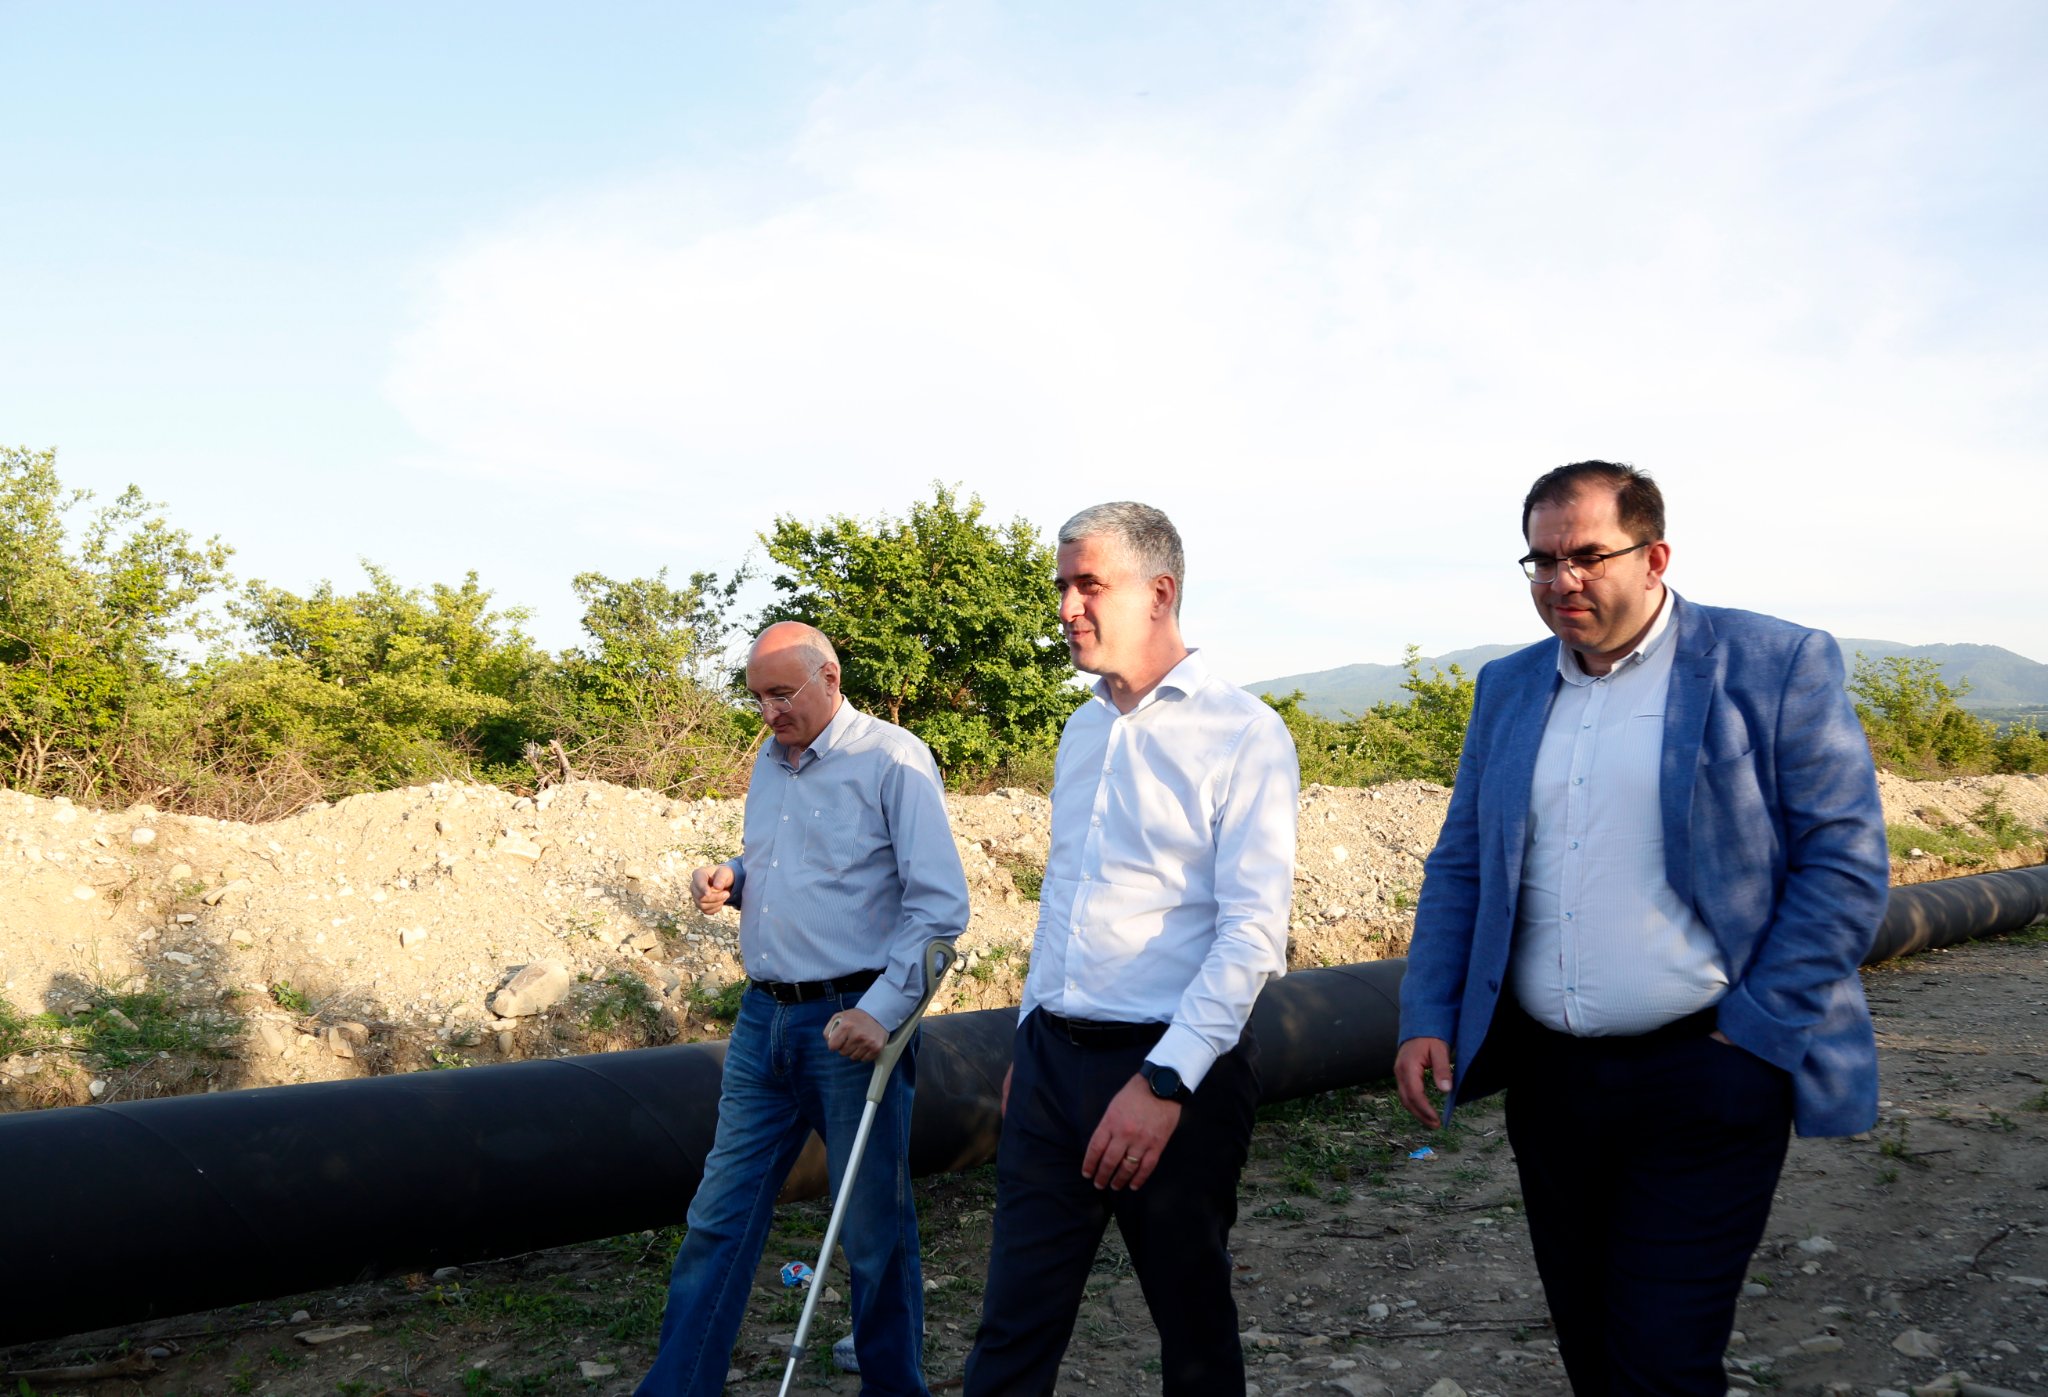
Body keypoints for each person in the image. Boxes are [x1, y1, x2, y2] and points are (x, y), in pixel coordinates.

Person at [1394, 461, 1888, 1396]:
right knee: (1591, 1345)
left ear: (1655, 557)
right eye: (1542, 560)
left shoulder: (1772, 662)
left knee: (1662, 1359)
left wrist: (1755, 1033)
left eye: (1587, 555)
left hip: (1707, 1071)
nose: (1561, 580)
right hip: (1553, 1082)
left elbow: (1844, 864)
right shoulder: (1508, 686)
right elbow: (1462, 863)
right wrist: (1428, 1011)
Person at [963, 502, 1298, 1396]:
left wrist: (1163, 1084)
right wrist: (1030, 1036)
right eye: (1062, 586)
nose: (1066, 607)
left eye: (1088, 585)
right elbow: (1065, 898)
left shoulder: (1243, 733)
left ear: (1159, 592)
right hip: (1051, 1065)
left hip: (1175, 1070)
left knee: (1192, 1329)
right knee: (1013, 1328)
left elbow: (1251, 932)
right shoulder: (1083, 730)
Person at [636, 621, 969, 1397]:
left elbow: (939, 906)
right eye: (758, 697)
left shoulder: (892, 758)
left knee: (873, 1228)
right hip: (764, 1022)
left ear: (830, 677)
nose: (769, 713)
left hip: (853, 1022)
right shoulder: (769, 760)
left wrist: (882, 1011)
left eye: (782, 694)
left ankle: (893, 1386)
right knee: (719, 1215)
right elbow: (789, 862)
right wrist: (733, 876)